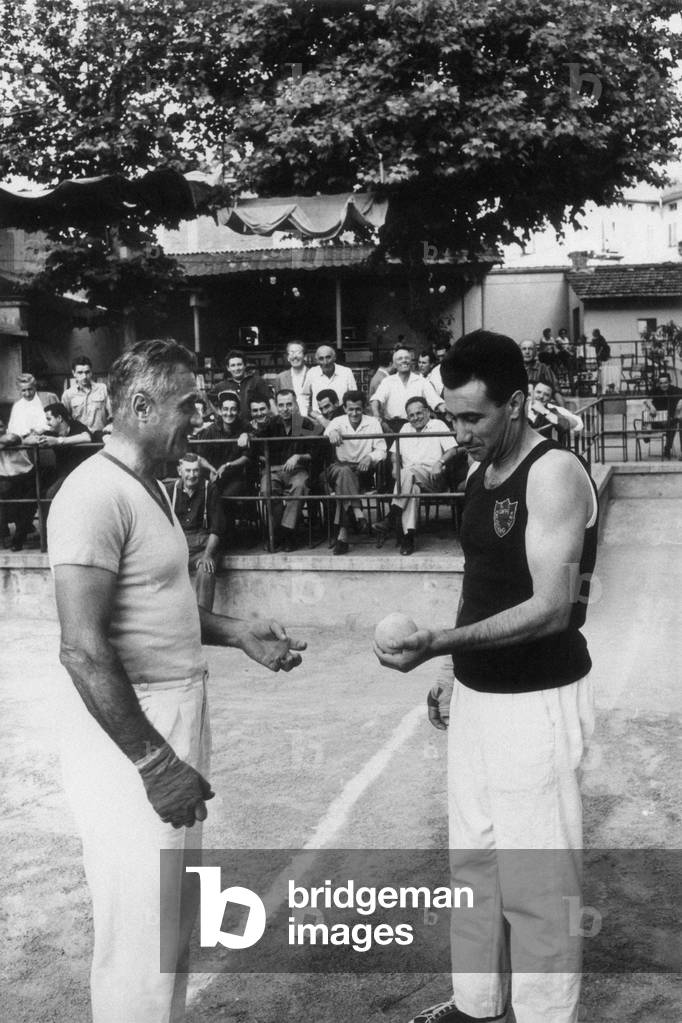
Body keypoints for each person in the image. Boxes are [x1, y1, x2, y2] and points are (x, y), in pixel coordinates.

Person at [47, 338, 305, 1023]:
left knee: (171, 924)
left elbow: (158, 607)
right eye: (187, 404)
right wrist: (155, 761)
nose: (200, 417)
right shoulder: (92, 494)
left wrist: (234, 632)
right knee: (141, 934)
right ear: (138, 404)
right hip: (133, 729)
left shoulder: (151, 484)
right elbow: (82, 647)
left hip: (175, 712)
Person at [375, 329, 598, 1023]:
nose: (460, 430)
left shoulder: (553, 471)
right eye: (451, 416)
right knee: (471, 858)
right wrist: (451, 666)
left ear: (519, 402)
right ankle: (475, 1004)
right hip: (478, 695)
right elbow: (483, 582)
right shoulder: (480, 473)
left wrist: (441, 638)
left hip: (538, 698)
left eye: (474, 416)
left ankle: (545, 1014)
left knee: (537, 876)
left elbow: (551, 607)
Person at [372, 396, 460, 555]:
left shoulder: (437, 425)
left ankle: (392, 516)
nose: (415, 418)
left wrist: (439, 463)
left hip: (433, 477)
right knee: (412, 490)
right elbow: (394, 453)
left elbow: (452, 450)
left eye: (419, 413)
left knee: (407, 473)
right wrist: (394, 465)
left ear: (427, 412)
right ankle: (408, 538)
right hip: (409, 480)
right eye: (411, 415)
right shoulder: (406, 428)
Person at [253, 389, 321, 551]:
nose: (285, 408)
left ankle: (287, 532)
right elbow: (255, 445)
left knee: (300, 486)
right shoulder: (271, 424)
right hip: (273, 471)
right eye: (281, 405)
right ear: (276, 406)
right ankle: (276, 532)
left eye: (289, 404)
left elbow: (317, 451)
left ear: (296, 404)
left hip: (298, 471)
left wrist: (298, 456)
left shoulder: (305, 423)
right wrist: (264, 459)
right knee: (267, 489)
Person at [323, 390, 387, 555]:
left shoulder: (373, 422)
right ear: (344, 408)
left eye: (358, 409)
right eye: (350, 409)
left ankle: (343, 534)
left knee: (343, 484)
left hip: (362, 470)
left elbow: (382, 449)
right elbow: (326, 432)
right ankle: (358, 514)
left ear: (364, 408)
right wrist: (333, 432)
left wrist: (370, 457)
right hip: (339, 467)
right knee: (344, 472)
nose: (354, 413)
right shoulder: (338, 421)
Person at [166, 452, 226, 610]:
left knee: (206, 569)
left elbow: (216, 529)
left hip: (203, 548)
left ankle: (204, 621)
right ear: (180, 471)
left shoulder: (209, 489)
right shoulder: (170, 490)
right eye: (187, 470)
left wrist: (208, 555)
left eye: (195, 470)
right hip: (179, 547)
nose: (192, 475)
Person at [371, 345, 445, 435]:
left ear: (411, 362)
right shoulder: (387, 381)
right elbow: (376, 400)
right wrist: (376, 415)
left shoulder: (422, 381)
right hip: (393, 428)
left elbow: (436, 401)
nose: (404, 360)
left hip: (416, 427)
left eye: (407, 358)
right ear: (394, 364)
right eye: (400, 359)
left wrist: (449, 411)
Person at [33, 401, 93, 497]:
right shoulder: (51, 432)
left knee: (51, 494)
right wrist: (37, 437)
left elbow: (87, 437)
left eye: (49, 419)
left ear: (60, 418)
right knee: (48, 493)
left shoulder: (75, 425)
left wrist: (58, 441)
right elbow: (26, 441)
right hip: (64, 475)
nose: (47, 423)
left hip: (83, 474)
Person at [0, 416, 36, 551]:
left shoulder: (12, 434)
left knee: (26, 506)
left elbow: (11, 439)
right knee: (7, 505)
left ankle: (18, 540)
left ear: (5, 427)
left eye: (0, 426)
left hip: (25, 476)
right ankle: (5, 533)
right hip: (6, 479)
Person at [61, 355, 112, 440]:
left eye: (87, 372)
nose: (84, 376)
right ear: (74, 373)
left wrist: (110, 426)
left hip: (101, 438)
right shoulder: (68, 394)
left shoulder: (103, 389)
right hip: (80, 441)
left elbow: (113, 415)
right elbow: (64, 421)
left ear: (91, 372)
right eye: (80, 373)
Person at [306, 344, 357, 412]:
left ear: (334, 357)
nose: (325, 362)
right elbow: (304, 396)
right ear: (317, 361)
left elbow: (354, 397)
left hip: (342, 416)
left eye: (328, 357)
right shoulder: (312, 373)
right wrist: (308, 413)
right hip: (319, 418)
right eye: (321, 358)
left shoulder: (346, 372)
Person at [222, 349, 274, 415]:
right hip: (232, 423)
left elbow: (271, 403)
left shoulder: (257, 381)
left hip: (254, 423)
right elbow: (208, 399)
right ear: (228, 368)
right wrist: (219, 414)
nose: (237, 368)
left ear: (245, 365)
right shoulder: (222, 385)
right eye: (233, 365)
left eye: (239, 364)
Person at [7, 372, 58, 437]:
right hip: (24, 441)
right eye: (23, 390)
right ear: (19, 390)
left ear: (35, 387)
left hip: (48, 437)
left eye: (30, 389)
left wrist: (42, 431)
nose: (27, 394)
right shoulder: (17, 406)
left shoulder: (49, 398)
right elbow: (12, 429)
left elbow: (59, 422)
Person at [644, 372, 682, 459]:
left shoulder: (675, 390)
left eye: (665, 382)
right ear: (659, 383)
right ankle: (646, 431)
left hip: (670, 419)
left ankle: (667, 449)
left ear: (669, 382)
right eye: (661, 383)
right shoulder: (655, 390)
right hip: (657, 419)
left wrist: (679, 405)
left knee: (674, 425)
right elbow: (647, 400)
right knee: (647, 412)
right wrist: (651, 406)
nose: (663, 385)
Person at [275, 340, 312, 416]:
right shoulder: (280, 377)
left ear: (305, 356)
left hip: (310, 421)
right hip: (289, 420)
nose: (295, 356)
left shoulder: (313, 375)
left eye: (298, 352)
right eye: (291, 353)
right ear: (288, 357)